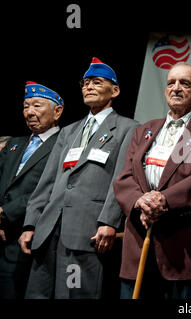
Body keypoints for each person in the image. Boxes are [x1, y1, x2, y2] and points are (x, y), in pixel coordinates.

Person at [18, 57, 139, 298]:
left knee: (75, 294)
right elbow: (48, 181)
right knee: (37, 294)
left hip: (87, 230)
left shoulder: (128, 128)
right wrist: (31, 223)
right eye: (85, 83)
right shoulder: (69, 130)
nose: (89, 87)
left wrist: (108, 221)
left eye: (96, 82)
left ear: (114, 90)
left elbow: (122, 178)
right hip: (48, 230)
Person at [113, 62, 191, 299]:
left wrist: (162, 200)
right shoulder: (144, 129)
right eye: (171, 83)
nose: (176, 88)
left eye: (185, 83)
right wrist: (140, 202)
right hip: (139, 243)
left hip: (186, 249)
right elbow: (125, 177)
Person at [0, 82, 63, 299]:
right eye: (26, 106)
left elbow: (52, 188)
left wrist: (6, 213)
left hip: (29, 236)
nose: (29, 112)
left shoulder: (63, 145)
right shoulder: (13, 144)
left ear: (57, 111)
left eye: (36, 105)